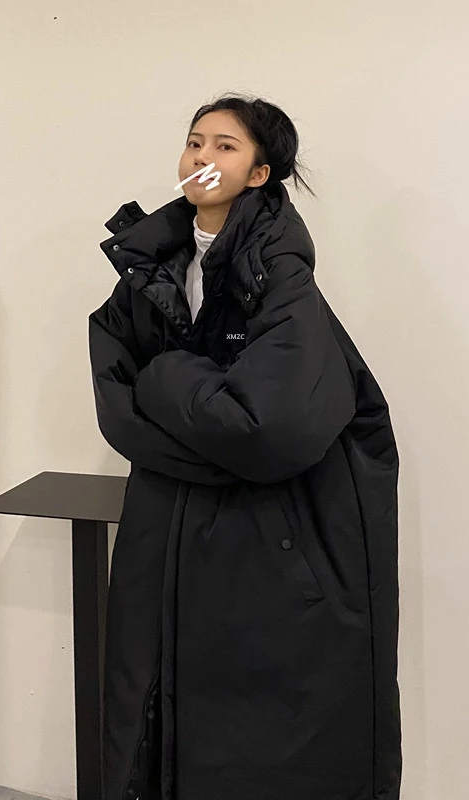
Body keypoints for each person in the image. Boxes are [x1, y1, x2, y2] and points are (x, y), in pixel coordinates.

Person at [88, 92, 402, 800]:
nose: (202, 156)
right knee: (151, 715)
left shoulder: (280, 275)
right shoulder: (152, 267)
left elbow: (268, 428)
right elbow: (115, 402)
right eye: (195, 141)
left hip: (261, 541)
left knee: (256, 741)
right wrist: (205, 427)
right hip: (165, 529)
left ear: (259, 174)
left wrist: (166, 378)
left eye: (225, 146)